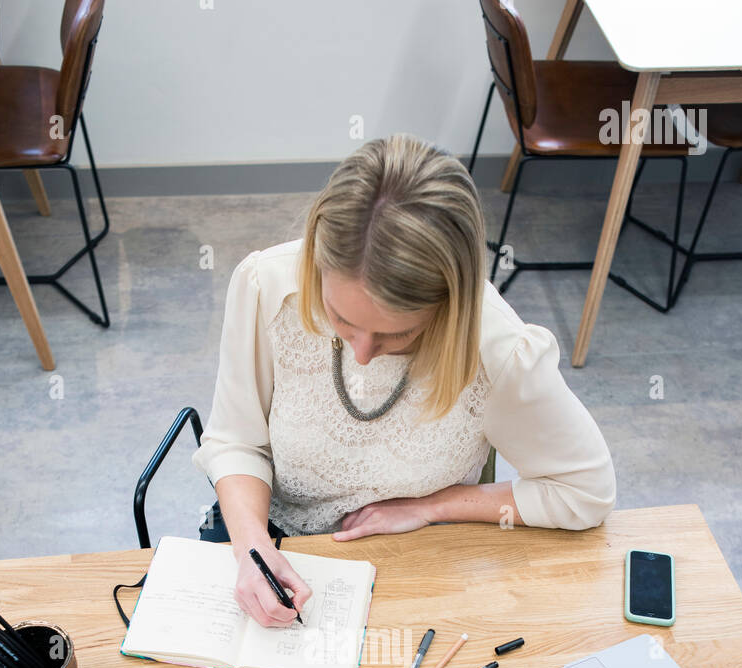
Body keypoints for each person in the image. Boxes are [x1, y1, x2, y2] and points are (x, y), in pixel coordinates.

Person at [193, 132, 615, 628]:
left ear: (447, 308)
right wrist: (252, 550)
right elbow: (237, 442)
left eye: (397, 335)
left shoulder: (499, 351)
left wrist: (433, 507)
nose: (364, 355)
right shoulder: (268, 285)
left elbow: (583, 492)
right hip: (266, 535)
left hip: (417, 559)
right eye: (341, 320)